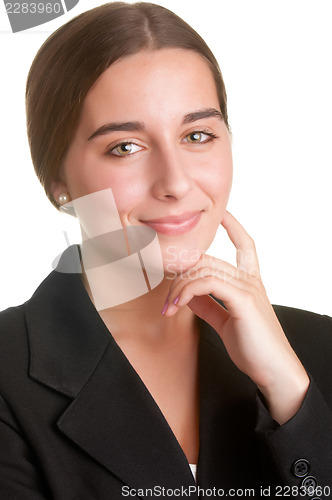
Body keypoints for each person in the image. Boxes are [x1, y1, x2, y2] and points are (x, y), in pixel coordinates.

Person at [0, 2, 331, 498]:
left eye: (198, 135)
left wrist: (290, 395)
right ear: (57, 181)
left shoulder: (315, 351)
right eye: (125, 147)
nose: (176, 182)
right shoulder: (8, 371)